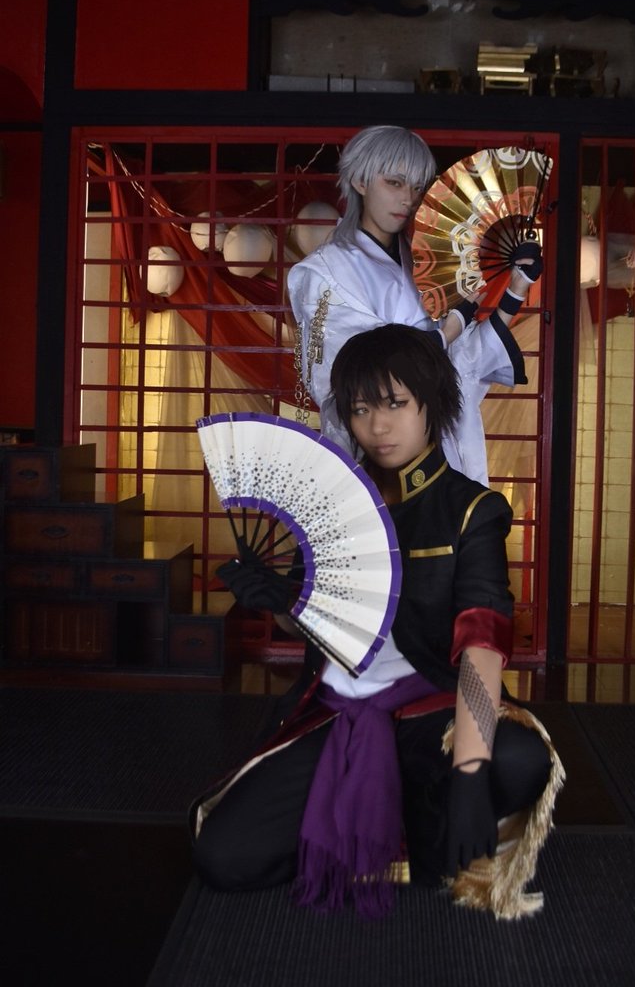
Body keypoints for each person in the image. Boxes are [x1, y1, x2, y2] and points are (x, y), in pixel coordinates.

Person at [194, 325, 564, 920]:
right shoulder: (334, 500)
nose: (377, 426)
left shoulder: (471, 510)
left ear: (432, 403)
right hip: (334, 710)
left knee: (518, 757)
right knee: (224, 859)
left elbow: (482, 642)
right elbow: (310, 631)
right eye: (361, 409)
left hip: (431, 709)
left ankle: (423, 813)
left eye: (395, 404)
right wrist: (280, 600)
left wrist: (471, 770)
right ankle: (391, 825)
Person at [287, 125, 542, 486]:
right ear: (360, 181)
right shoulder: (325, 273)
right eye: (394, 183)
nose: (408, 198)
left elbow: (462, 363)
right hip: (380, 455)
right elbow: (343, 376)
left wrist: (515, 290)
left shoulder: (426, 263)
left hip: (442, 449)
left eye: (418, 187)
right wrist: (443, 334)